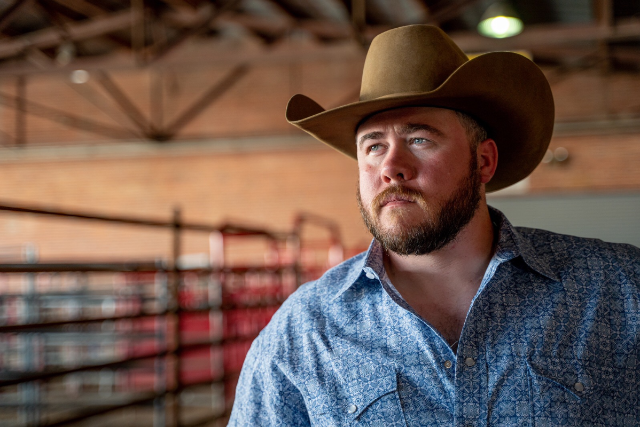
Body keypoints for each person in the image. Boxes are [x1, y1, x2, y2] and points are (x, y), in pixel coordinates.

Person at [228, 25, 640, 426]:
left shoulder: (618, 291)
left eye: (419, 140)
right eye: (374, 146)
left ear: (483, 162)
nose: (391, 167)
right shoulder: (304, 331)